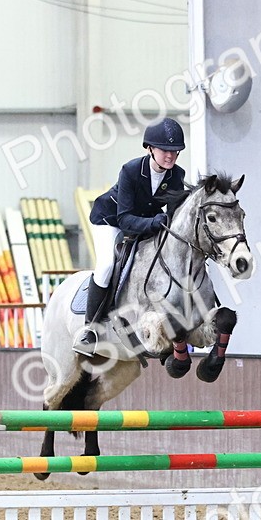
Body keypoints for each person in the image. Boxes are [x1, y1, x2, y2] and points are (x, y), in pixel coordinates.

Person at [74, 117, 186, 355]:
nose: (170, 156)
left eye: (175, 152)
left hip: (146, 223)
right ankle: (89, 331)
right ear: (150, 148)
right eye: (165, 150)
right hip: (110, 220)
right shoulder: (131, 170)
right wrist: (155, 221)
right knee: (106, 265)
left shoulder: (177, 175)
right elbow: (124, 220)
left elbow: (174, 217)